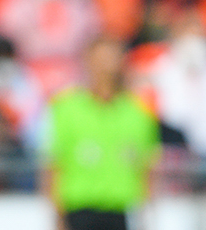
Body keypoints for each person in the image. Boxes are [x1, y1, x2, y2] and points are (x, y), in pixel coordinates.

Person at [41, 36, 160, 230]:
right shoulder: (66, 108)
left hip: (121, 210)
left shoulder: (138, 112)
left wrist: (147, 215)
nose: (105, 68)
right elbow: (53, 165)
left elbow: (147, 168)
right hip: (78, 209)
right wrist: (57, 217)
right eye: (100, 60)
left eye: (111, 59)